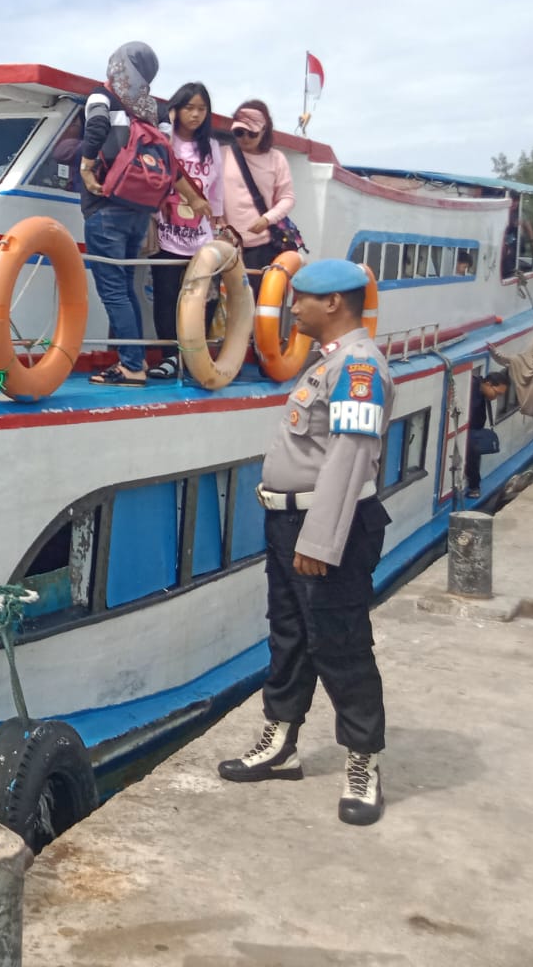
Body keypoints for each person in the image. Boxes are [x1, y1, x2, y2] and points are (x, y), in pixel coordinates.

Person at [218, 259, 390, 825]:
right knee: (289, 634)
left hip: (325, 527)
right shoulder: (329, 364)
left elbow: (349, 457)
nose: (293, 309)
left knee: (338, 642)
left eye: (301, 300)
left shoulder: (359, 368)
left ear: (333, 304)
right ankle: (281, 740)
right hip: (289, 522)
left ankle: (363, 761)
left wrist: (320, 540)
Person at [77, 41, 165, 386]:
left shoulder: (103, 95)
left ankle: (131, 365)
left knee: (113, 290)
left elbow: (96, 127)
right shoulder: (149, 107)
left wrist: (86, 167)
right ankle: (133, 359)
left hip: (106, 206)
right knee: (126, 287)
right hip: (138, 209)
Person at [150, 83, 226, 381]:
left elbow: (217, 188)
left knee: (203, 295)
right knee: (165, 295)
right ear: (176, 109)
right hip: (166, 230)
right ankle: (169, 356)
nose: (195, 114)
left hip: (201, 233)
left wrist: (218, 221)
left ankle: (196, 355)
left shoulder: (213, 147)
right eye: (189, 108)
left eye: (201, 109)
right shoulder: (164, 140)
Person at [220, 100, 296, 273]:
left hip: (262, 245)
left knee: (255, 299)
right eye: (239, 132)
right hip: (226, 243)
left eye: (252, 133)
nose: (245, 138)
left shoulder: (276, 158)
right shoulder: (221, 154)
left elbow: (287, 197)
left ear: (264, 131)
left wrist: (267, 219)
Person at [465, 369, 510, 499]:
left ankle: (474, 485)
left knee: (474, 454)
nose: (496, 397)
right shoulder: (470, 386)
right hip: (466, 430)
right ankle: (474, 486)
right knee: (472, 456)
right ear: (488, 384)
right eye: (497, 393)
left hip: (474, 430)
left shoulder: (481, 390)